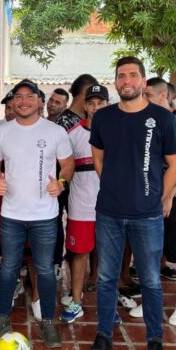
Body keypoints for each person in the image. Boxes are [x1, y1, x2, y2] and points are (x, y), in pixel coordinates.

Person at [86, 57, 176, 350]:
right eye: (121, 76)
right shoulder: (103, 118)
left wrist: (161, 197)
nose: (126, 80)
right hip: (109, 213)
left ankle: (154, 339)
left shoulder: (164, 119)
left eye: (132, 75)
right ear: (115, 82)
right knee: (106, 278)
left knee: (151, 280)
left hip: (148, 215)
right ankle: (104, 334)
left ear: (143, 82)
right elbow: (99, 160)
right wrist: (116, 188)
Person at [0, 79, 75, 349]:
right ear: (12, 102)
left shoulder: (55, 131)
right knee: (8, 267)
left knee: (46, 270)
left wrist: (61, 183)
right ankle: (2, 318)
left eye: (29, 96)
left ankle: (47, 321)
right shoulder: (2, 132)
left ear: (39, 101)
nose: (23, 101)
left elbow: (68, 166)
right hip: (11, 214)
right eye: (18, 96)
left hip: (45, 216)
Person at [143, 78, 176, 326]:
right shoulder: (146, 121)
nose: (144, 100)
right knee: (151, 252)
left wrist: (168, 197)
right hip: (149, 195)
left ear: (164, 95)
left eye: (148, 95)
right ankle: (150, 301)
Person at [60, 84, 108, 323]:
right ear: (86, 106)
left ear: (108, 105)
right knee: (79, 254)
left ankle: (107, 306)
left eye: (101, 103)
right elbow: (64, 168)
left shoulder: (118, 133)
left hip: (111, 206)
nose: (96, 107)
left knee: (109, 254)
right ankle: (76, 301)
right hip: (81, 206)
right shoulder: (73, 134)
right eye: (91, 103)